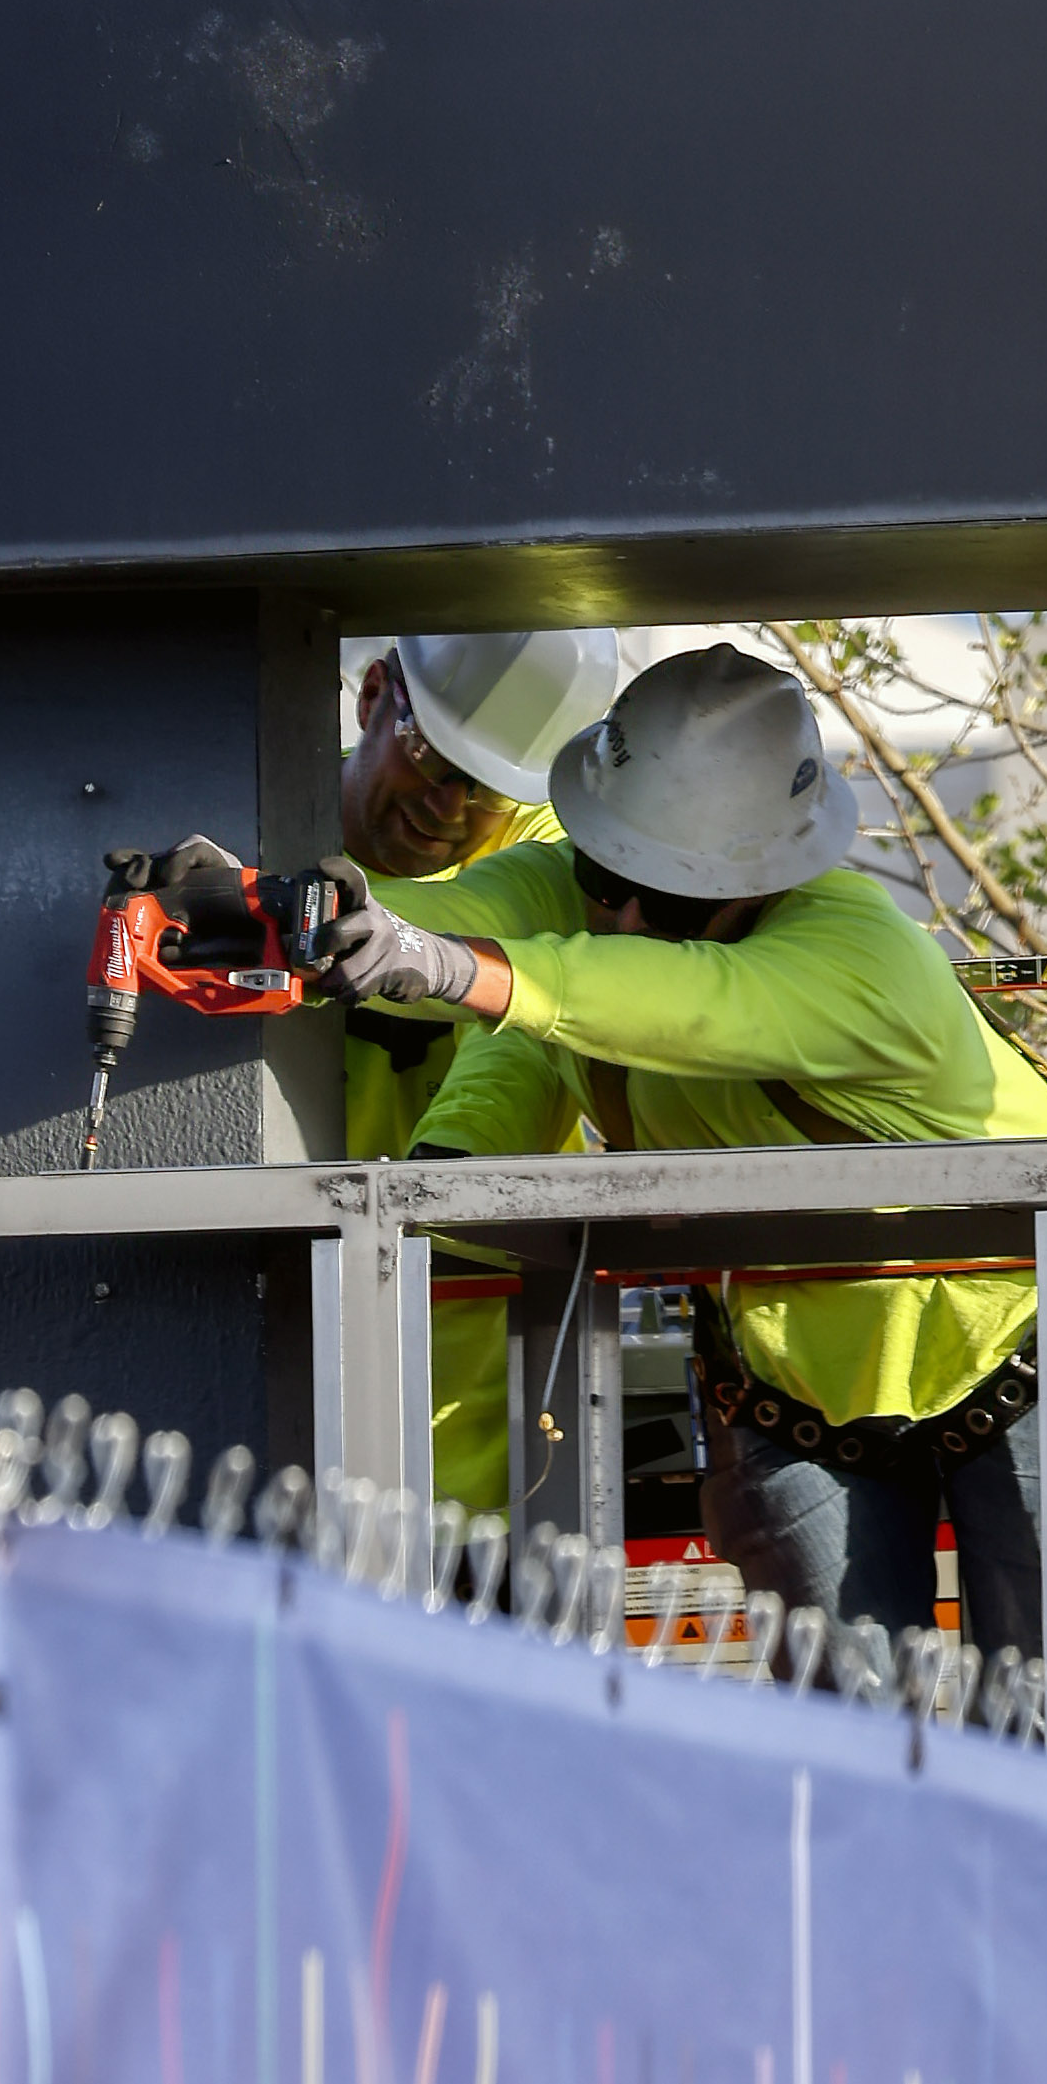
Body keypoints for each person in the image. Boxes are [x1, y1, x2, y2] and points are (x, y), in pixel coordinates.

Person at [337, 643, 1047, 1662]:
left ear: (764, 877)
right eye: (604, 871)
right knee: (850, 1750)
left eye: (672, 902)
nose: (625, 915)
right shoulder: (566, 903)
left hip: (1021, 1363)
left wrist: (457, 967)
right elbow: (455, 931)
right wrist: (306, 908)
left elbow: (684, 1003)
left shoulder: (859, 951)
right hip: (790, 1395)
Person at [326, 628, 622, 1514]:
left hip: (493, 1334)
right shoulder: (263, 822)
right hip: (299, 1322)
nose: (450, 807)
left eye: (486, 787)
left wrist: (441, 1177)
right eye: (431, 757)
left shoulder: (553, 851)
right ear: (374, 693)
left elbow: (529, 1018)